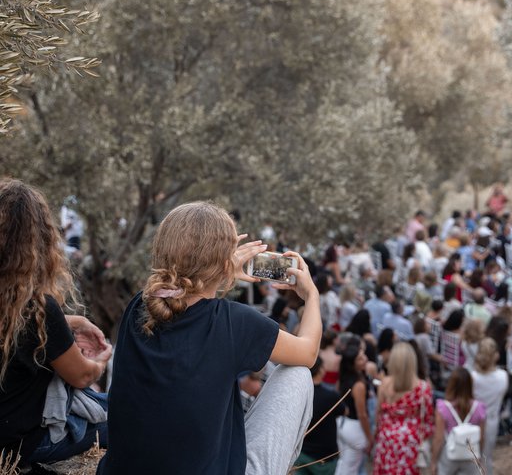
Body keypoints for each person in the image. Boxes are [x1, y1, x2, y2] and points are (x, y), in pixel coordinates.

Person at [97, 202, 322, 475]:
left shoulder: (139, 306)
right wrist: (311, 295)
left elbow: (186, 297)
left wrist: (219, 271)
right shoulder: (236, 323)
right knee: (297, 375)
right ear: (226, 260)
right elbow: (308, 353)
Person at [0, 179, 112, 467]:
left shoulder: (28, 312)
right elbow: (83, 377)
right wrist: (101, 360)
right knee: (129, 417)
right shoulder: (37, 309)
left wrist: (71, 321)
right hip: (19, 446)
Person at [372, 343, 433, 475]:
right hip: (411, 443)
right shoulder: (424, 387)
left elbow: (378, 415)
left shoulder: (385, 384)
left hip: (387, 441)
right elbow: (428, 420)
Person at [295, 356, 346, 475]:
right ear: (321, 370)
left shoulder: (300, 394)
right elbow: (345, 411)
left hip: (301, 453)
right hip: (324, 458)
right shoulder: (330, 396)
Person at [431, 368, 486, 475]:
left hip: (449, 454)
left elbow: (439, 438)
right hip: (470, 455)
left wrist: (434, 461)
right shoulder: (479, 408)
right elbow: (481, 437)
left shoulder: (443, 407)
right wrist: (480, 456)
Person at [335, 337, 373, 475]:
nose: (365, 359)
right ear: (352, 364)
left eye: (363, 356)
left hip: (342, 423)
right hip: (354, 427)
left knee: (344, 463)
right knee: (350, 468)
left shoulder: (344, 378)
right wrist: (369, 437)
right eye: (360, 358)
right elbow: (362, 414)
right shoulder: (359, 385)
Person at [470, 338, 508, 475]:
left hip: (473, 421)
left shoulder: (472, 377)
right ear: (496, 355)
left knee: (472, 457)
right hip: (491, 420)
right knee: (487, 457)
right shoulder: (502, 376)